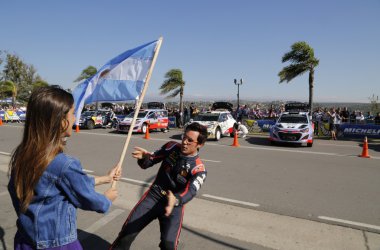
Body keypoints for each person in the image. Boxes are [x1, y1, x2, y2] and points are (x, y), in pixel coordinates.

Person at [8, 86, 121, 249]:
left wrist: (106, 178)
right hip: (58, 244)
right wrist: (106, 199)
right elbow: (87, 198)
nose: (75, 118)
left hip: (25, 240)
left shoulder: (21, 155)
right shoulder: (64, 163)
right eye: (73, 113)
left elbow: (63, 184)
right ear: (62, 122)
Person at [111, 122, 208, 250]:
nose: (184, 142)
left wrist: (177, 199)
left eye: (190, 140)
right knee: (127, 232)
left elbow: (191, 191)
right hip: (153, 196)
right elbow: (148, 162)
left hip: (173, 205)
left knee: (169, 245)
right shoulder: (171, 146)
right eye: (184, 137)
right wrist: (144, 158)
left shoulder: (199, 169)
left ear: (200, 144)